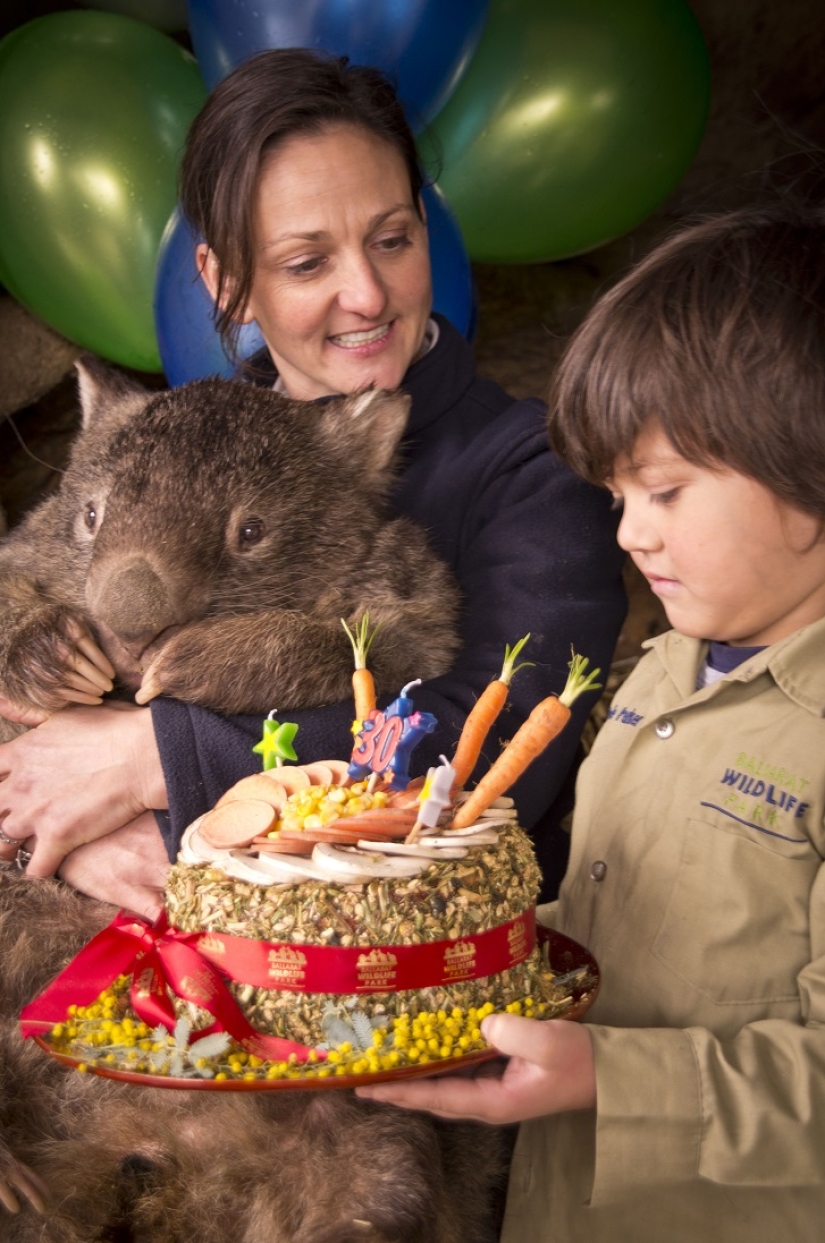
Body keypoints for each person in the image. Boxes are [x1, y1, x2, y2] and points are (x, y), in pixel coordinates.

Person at [0, 49, 625, 915]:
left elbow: (507, 747)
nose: (366, 293)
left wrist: (158, 758)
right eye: (306, 263)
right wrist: (65, 833)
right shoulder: (162, 447)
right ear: (227, 282)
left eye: (392, 240)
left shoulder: (532, 469)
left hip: (401, 949)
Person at [356, 201, 825, 1243]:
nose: (630, 534)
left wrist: (610, 1076)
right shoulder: (659, 674)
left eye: (662, 492)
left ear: (807, 477)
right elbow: (611, 918)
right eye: (616, 498)